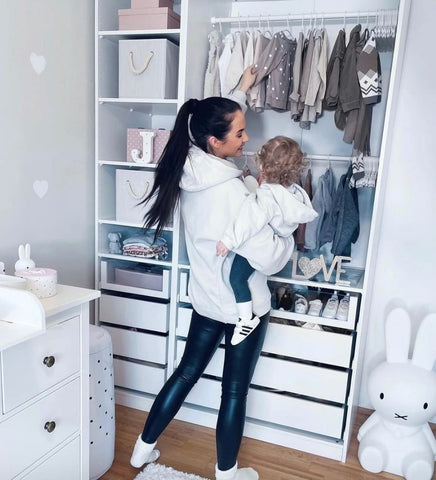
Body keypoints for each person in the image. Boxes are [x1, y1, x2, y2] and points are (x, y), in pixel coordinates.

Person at [129, 67, 294, 480]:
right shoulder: (235, 193)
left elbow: (207, 116)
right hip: (245, 309)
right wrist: (286, 239)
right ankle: (227, 474)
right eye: (239, 133)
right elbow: (270, 258)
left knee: (185, 374)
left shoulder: (189, 167)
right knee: (234, 391)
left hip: (205, 298)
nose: (247, 139)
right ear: (214, 142)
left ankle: (140, 451)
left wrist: (237, 89)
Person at [216, 136, 318, 345]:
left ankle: (246, 320)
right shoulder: (294, 194)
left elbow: (248, 221)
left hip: (262, 247)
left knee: (236, 279)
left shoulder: (267, 197)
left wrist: (227, 241)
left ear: (264, 166)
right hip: (279, 248)